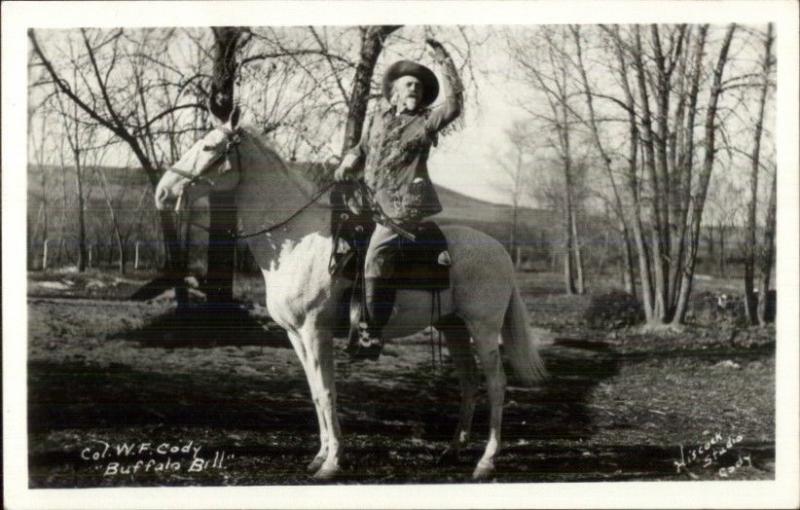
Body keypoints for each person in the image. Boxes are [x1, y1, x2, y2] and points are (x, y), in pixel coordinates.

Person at [334, 39, 464, 360]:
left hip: (404, 206)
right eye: (409, 84)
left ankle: (372, 333)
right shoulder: (378, 119)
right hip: (369, 202)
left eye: (419, 87)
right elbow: (362, 149)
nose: (414, 90)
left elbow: (454, 106)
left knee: (377, 252)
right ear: (393, 91)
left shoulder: (425, 122)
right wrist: (350, 159)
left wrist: (444, 61)